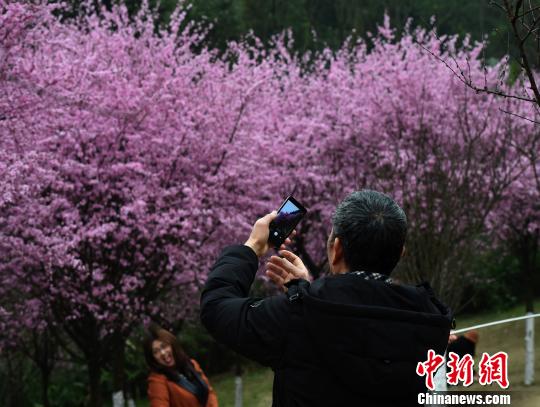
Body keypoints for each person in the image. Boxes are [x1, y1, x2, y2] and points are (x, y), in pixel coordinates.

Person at [200, 190, 453, 406]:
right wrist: (304, 290)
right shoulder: (427, 320)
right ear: (400, 253)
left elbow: (216, 307)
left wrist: (252, 246)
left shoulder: (297, 316)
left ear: (337, 248)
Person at [143, 325, 218, 407]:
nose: (163, 353)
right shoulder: (157, 380)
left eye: (164, 346)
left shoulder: (192, 364)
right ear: (153, 358)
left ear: (172, 345)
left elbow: (209, 392)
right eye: (156, 352)